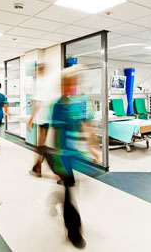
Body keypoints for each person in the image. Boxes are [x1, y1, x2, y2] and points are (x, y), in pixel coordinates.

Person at [44, 66, 99, 249]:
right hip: (63, 154)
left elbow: (87, 125)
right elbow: (55, 133)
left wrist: (93, 147)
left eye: (74, 82)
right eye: (67, 83)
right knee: (70, 192)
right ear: (62, 85)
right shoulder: (57, 105)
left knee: (72, 188)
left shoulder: (83, 101)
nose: (71, 86)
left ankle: (55, 199)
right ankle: (73, 231)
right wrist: (57, 162)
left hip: (78, 153)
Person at [28, 63, 53, 177]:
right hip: (48, 117)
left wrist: (31, 118)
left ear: (39, 71)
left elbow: (38, 103)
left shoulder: (40, 83)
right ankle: (37, 165)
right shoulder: (49, 82)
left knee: (39, 144)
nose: (36, 72)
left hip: (42, 118)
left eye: (37, 70)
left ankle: (38, 166)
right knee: (42, 143)